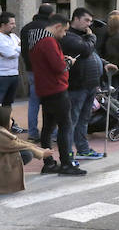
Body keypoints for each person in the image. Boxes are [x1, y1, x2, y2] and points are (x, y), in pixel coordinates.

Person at [32, 14, 86, 176]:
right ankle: (66, 163)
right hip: (56, 89)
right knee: (65, 126)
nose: (64, 35)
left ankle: (48, 163)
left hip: (45, 88)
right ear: (57, 27)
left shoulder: (37, 40)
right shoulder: (48, 41)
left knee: (48, 128)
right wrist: (69, 62)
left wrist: (62, 59)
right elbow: (58, 67)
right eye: (64, 31)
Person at [61, 8, 115, 162]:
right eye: (86, 20)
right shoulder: (69, 37)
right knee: (72, 120)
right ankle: (68, 154)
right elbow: (85, 50)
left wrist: (104, 63)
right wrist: (92, 37)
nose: (89, 24)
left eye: (90, 21)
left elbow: (92, 54)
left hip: (90, 84)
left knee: (84, 119)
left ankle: (83, 149)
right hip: (77, 85)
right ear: (76, 19)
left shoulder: (84, 36)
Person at [20, 3, 55, 142]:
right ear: (51, 14)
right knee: (50, 101)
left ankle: (33, 133)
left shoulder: (26, 28)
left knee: (33, 102)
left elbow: (23, 50)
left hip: (30, 68)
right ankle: (51, 133)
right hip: (46, 70)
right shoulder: (49, 28)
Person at [0, 12, 21, 134]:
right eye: (11, 23)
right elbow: (10, 54)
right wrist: (16, 48)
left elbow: (21, 48)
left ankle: (7, 125)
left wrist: (15, 49)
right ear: (3, 24)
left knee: (9, 103)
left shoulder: (13, 37)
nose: (14, 25)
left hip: (14, 74)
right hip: (2, 75)